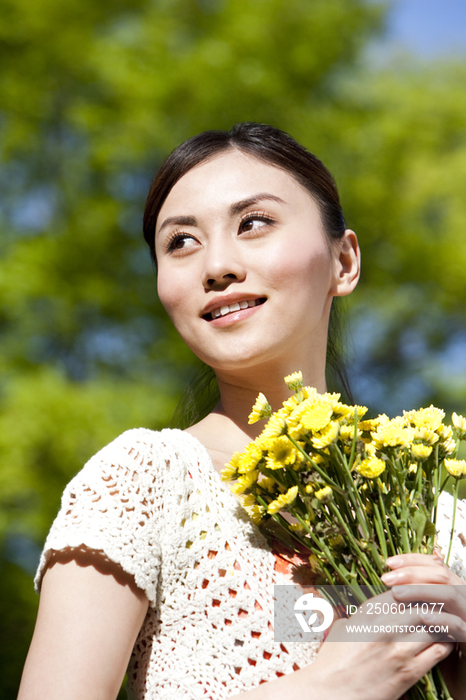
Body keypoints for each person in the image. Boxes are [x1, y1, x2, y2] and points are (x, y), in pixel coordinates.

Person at [18, 123, 466, 700]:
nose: (217, 265)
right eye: (181, 242)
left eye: (253, 223)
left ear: (344, 261)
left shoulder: (442, 518)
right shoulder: (146, 479)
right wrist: (331, 688)